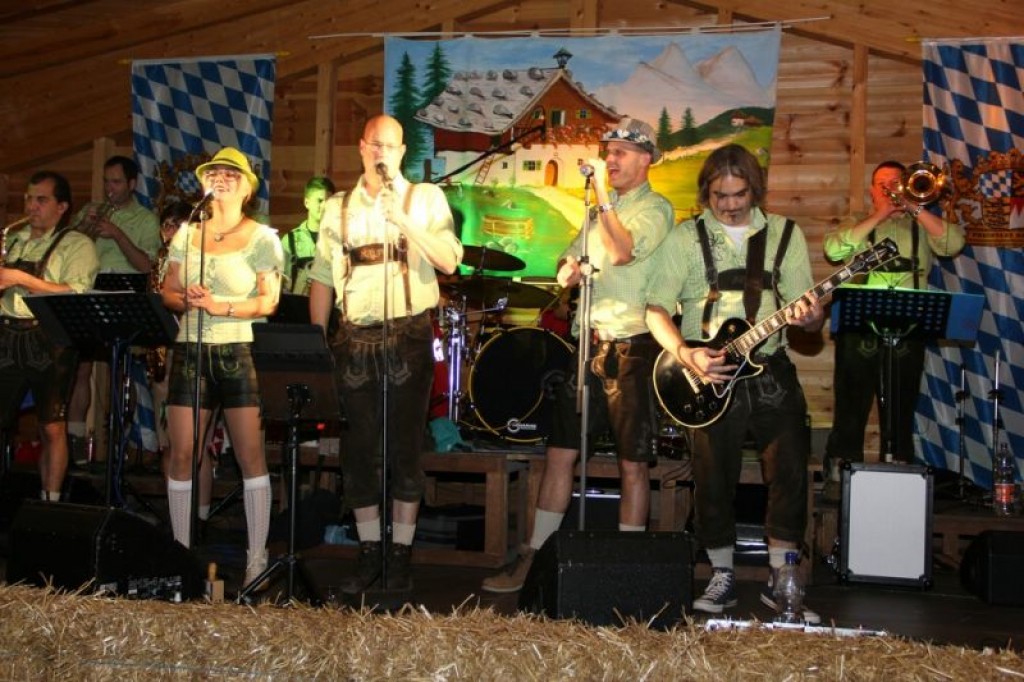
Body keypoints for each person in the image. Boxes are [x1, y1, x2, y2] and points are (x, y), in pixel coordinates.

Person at [481, 118, 673, 593]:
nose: (611, 158)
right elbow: (569, 256)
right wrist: (567, 267)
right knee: (560, 451)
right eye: (609, 151)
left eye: (621, 152)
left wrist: (603, 195)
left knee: (633, 462)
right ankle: (535, 559)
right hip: (588, 345)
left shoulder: (656, 208)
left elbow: (623, 252)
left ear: (646, 158)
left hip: (634, 347)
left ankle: (628, 569)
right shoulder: (595, 211)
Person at [645, 143, 824, 622]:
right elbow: (656, 309)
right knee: (711, 475)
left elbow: (806, 314)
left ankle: (783, 577)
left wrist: (812, 318)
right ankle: (720, 574)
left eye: (739, 194)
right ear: (706, 192)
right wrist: (685, 353)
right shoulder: (685, 238)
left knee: (789, 472)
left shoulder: (785, 233)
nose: (729, 205)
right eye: (719, 196)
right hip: (707, 372)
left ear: (755, 189)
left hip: (771, 371)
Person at [307, 114, 462, 594]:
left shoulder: (425, 198)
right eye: (375, 144)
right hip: (353, 338)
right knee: (359, 453)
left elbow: (449, 261)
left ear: (402, 152)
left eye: (390, 146)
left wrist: (404, 221)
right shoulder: (337, 207)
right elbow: (322, 278)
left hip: (408, 336)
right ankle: (369, 551)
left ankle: (401, 556)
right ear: (361, 147)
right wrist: (317, 346)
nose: (382, 153)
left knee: (405, 449)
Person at [160, 147, 284, 588]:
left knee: (250, 455)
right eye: (215, 172)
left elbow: (269, 301)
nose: (222, 178)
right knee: (182, 453)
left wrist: (221, 306)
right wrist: (187, 298)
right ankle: (179, 556)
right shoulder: (187, 234)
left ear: (247, 187)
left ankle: (256, 560)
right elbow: (168, 292)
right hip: (191, 348)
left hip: (239, 350)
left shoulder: (263, 237)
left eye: (232, 174)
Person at [822, 161, 965, 496]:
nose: (889, 188)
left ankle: (900, 471)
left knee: (902, 402)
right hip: (860, 326)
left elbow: (953, 243)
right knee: (851, 400)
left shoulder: (921, 224)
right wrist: (881, 214)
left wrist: (915, 208)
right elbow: (833, 249)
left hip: (909, 325)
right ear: (872, 191)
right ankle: (841, 470)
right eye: (881, 184)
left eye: (895, 182)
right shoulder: (858, 221)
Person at [0, 171, 99, 500]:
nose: (32, 206)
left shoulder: (77, 244)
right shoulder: (13, 239)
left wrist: (20, 278)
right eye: (29, 198)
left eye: (41, 200)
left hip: (49, 339)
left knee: (51, 426)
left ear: (62, 207)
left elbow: (75, 293)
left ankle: (50, 503)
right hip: (6, 335)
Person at [65, 155, 162, 465]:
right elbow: (67, 249)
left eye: (117, 182)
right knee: (80, 368)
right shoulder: (90, 210)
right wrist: (85, 228)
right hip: (90, 292)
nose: (110, 188)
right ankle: (76, 442)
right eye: (107, 181)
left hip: (126, 297)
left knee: (123, 372)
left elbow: (147, 266)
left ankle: (121, 441)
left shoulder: (146, 220)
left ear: (132, 184)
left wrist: (118, 234)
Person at [283, 176, 335, 294]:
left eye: (328, 201)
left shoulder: (339, 240)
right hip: (297, 304)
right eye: (320, 200)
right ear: (307, 203)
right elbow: (281, 284)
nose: (324, 206)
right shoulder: (290, 240)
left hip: (328, 304)